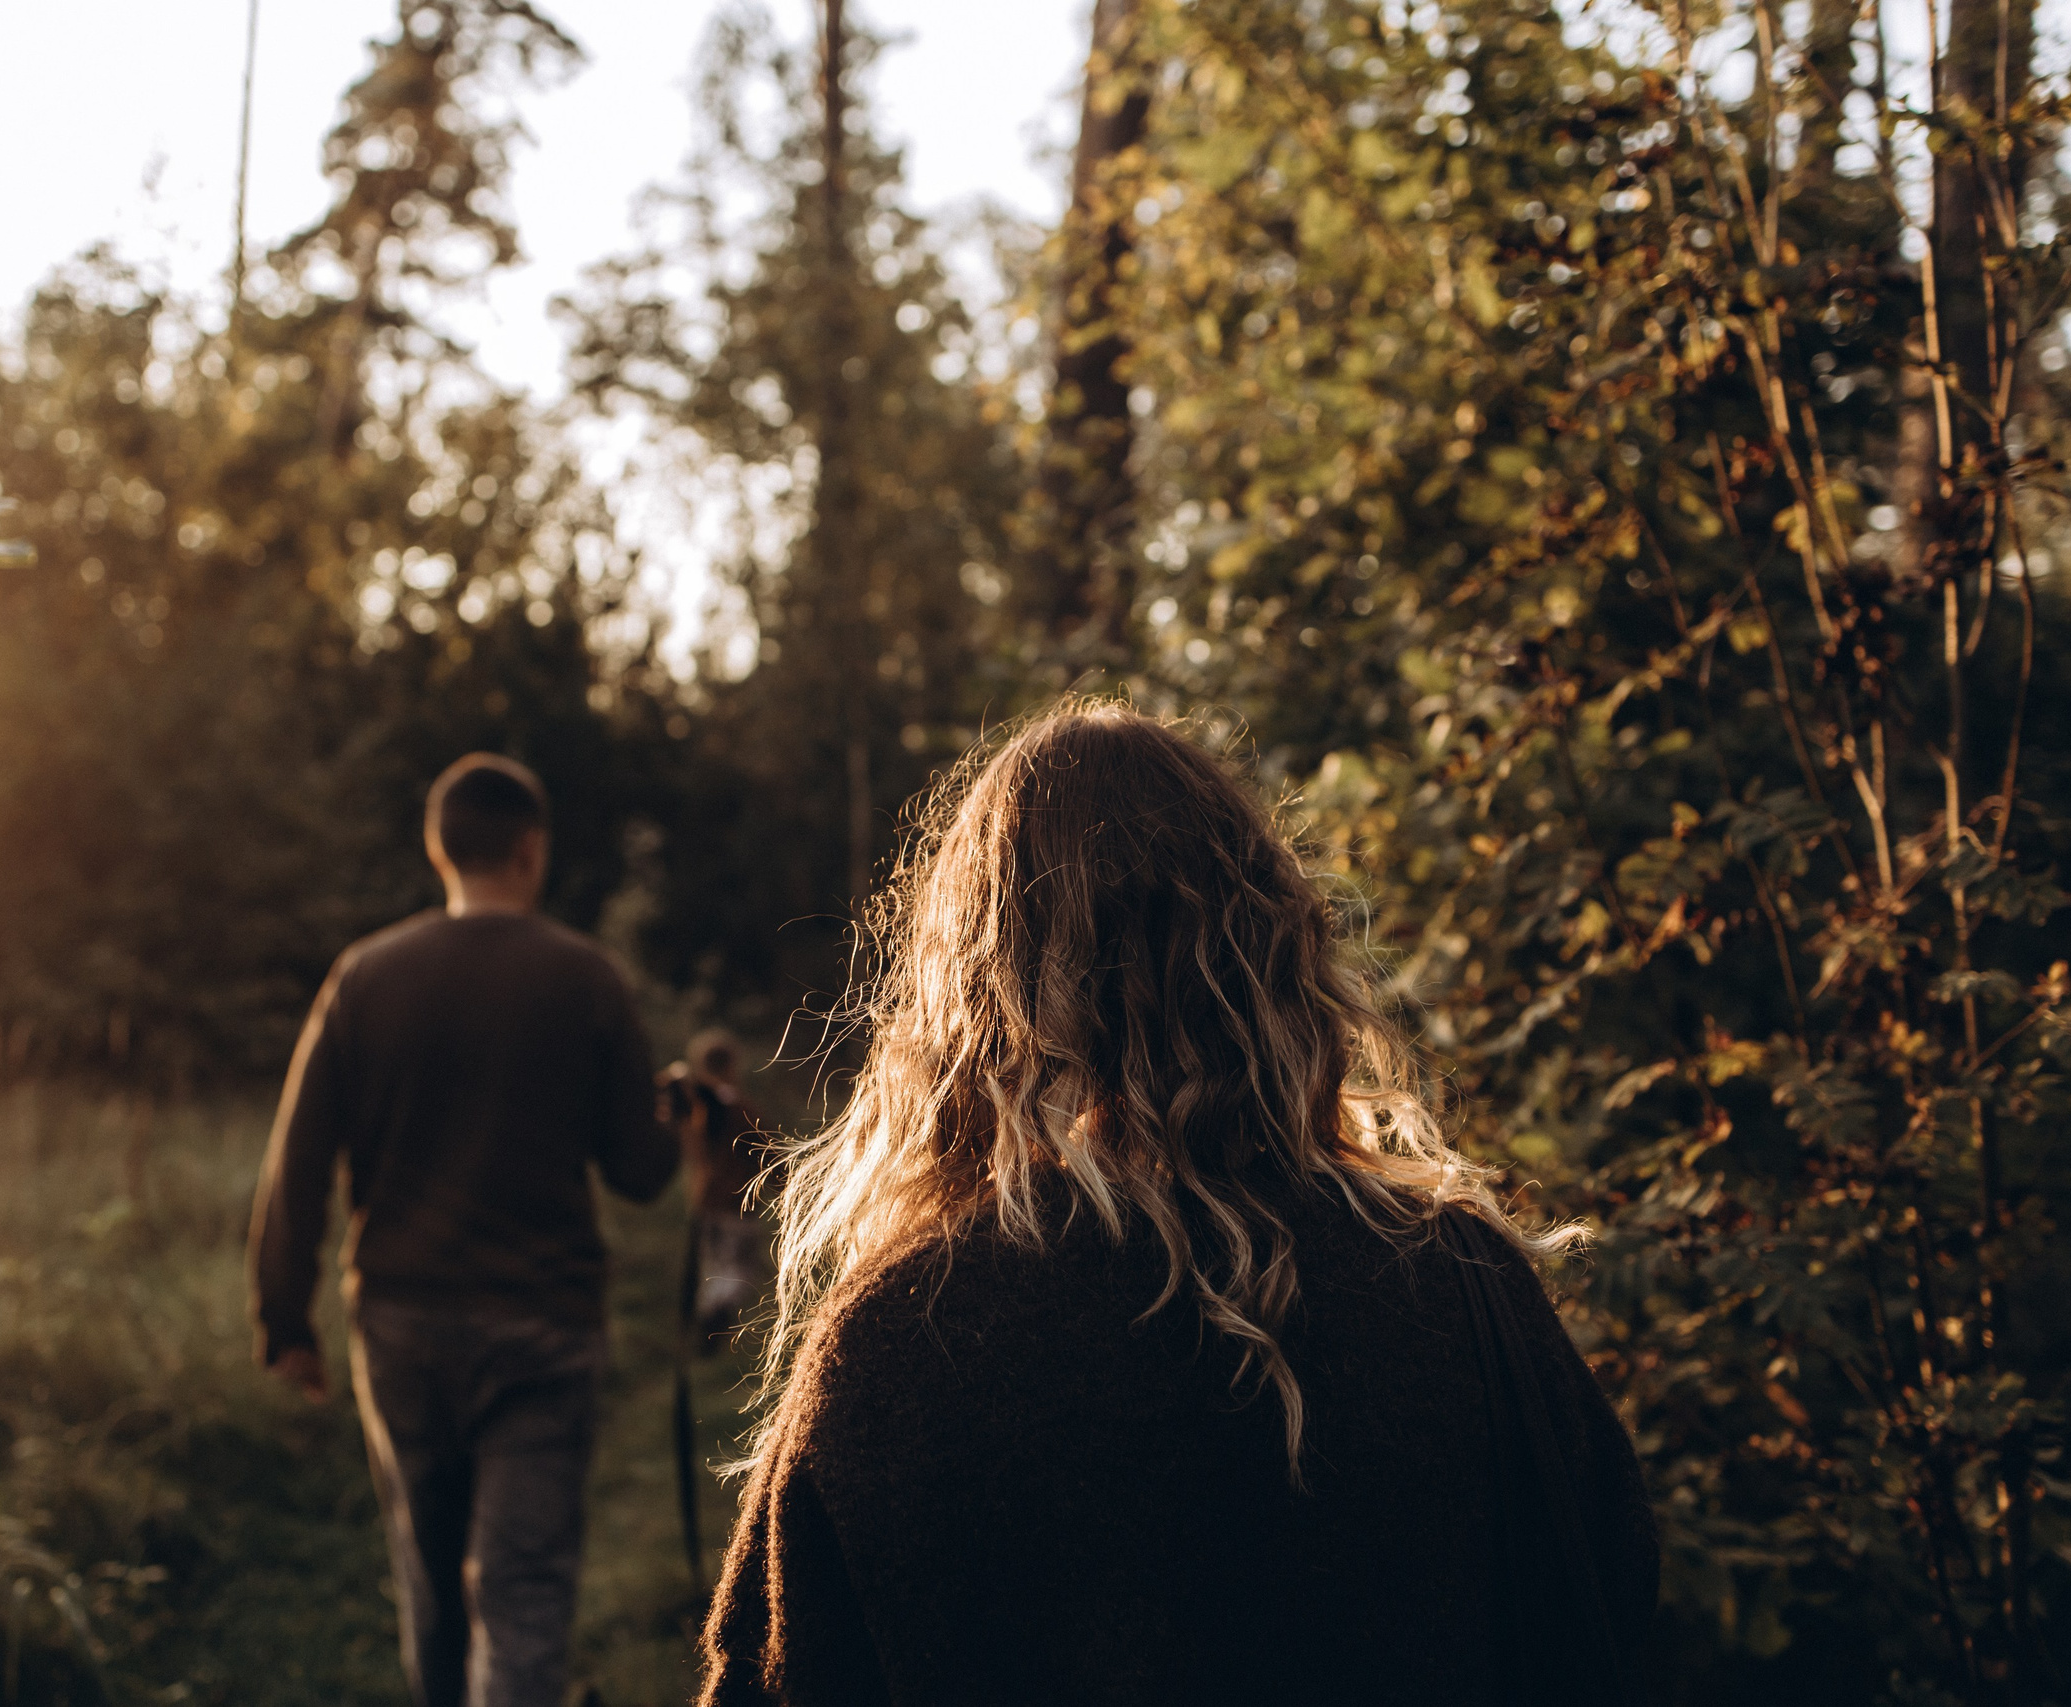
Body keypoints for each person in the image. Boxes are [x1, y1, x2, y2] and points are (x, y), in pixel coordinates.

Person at [700, 705, 1658, 1707]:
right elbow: (1610, 1607)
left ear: (975, 997)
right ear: (1272, 949)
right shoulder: (1462, 1286)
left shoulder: (904, 1344)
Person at [248, 752, 677, 1707]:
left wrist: (285, 1318)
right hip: (544, 1330)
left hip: (401, 1325)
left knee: (433, 1587)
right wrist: (678, 1128)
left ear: (439, 850)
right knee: (522, 1597)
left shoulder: (363, 978)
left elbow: (300, 1161)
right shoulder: (587, 980)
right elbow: (640, 1174)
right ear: (532, 851)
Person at [662, 1028, 774, 1347]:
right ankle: (714, 1325)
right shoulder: (739, 1108)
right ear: (732, 1064)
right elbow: (768, 1153)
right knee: (737, 1270)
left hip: (704, 1200)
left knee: (715, 1267)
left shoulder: (696, 1107)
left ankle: (707, 1327)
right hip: (736, 1201)